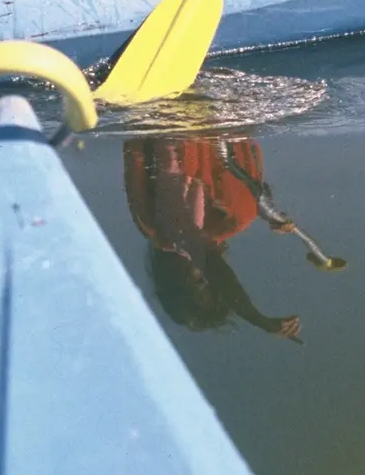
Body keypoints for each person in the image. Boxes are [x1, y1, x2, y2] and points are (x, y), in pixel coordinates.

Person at [124, 135, 302, 342]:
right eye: (205, 282)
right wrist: (267, 211)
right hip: (210, 124)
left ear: (169, 278)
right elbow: (245, 183)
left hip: (176, 127)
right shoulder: (221, 226)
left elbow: (211, 264)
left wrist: (255, 317)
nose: (200, 272)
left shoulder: (170, 234)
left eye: (195, 281)